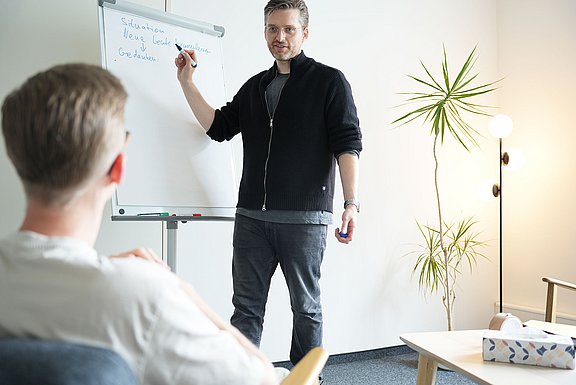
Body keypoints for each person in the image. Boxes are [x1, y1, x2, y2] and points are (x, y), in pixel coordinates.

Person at [0, 63, 281, 385]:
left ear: (12, 157)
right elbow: (263, 379)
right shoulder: (143, 297)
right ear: (117, 169)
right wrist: (181, 291)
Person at [175, 0, 362, 366]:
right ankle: (243, 374)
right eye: (273, 29)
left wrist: (351, 203)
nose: (280, 37)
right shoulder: (255, 87)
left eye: (289, 29)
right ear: (264, 32)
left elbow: (348, 143)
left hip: (304, 218)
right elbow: (218, 127)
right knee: (245, 310)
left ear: (304, 33)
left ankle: (306, 376)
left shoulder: (328, 81)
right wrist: (187, 83)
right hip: (252, 220)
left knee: (305, 309)